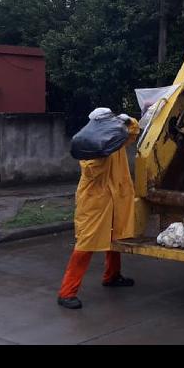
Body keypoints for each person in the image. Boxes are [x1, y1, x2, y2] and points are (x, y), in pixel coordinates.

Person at [57, 108, 141, 310]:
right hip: (95, 203)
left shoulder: (116, 137)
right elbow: (93, 171)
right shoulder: (89, 145)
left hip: (114, 199)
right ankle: (66, 292)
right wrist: (104, 150)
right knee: (85, 245)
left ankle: (112, 276)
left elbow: (134, 132)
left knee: (114, 237)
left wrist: (128, 120)